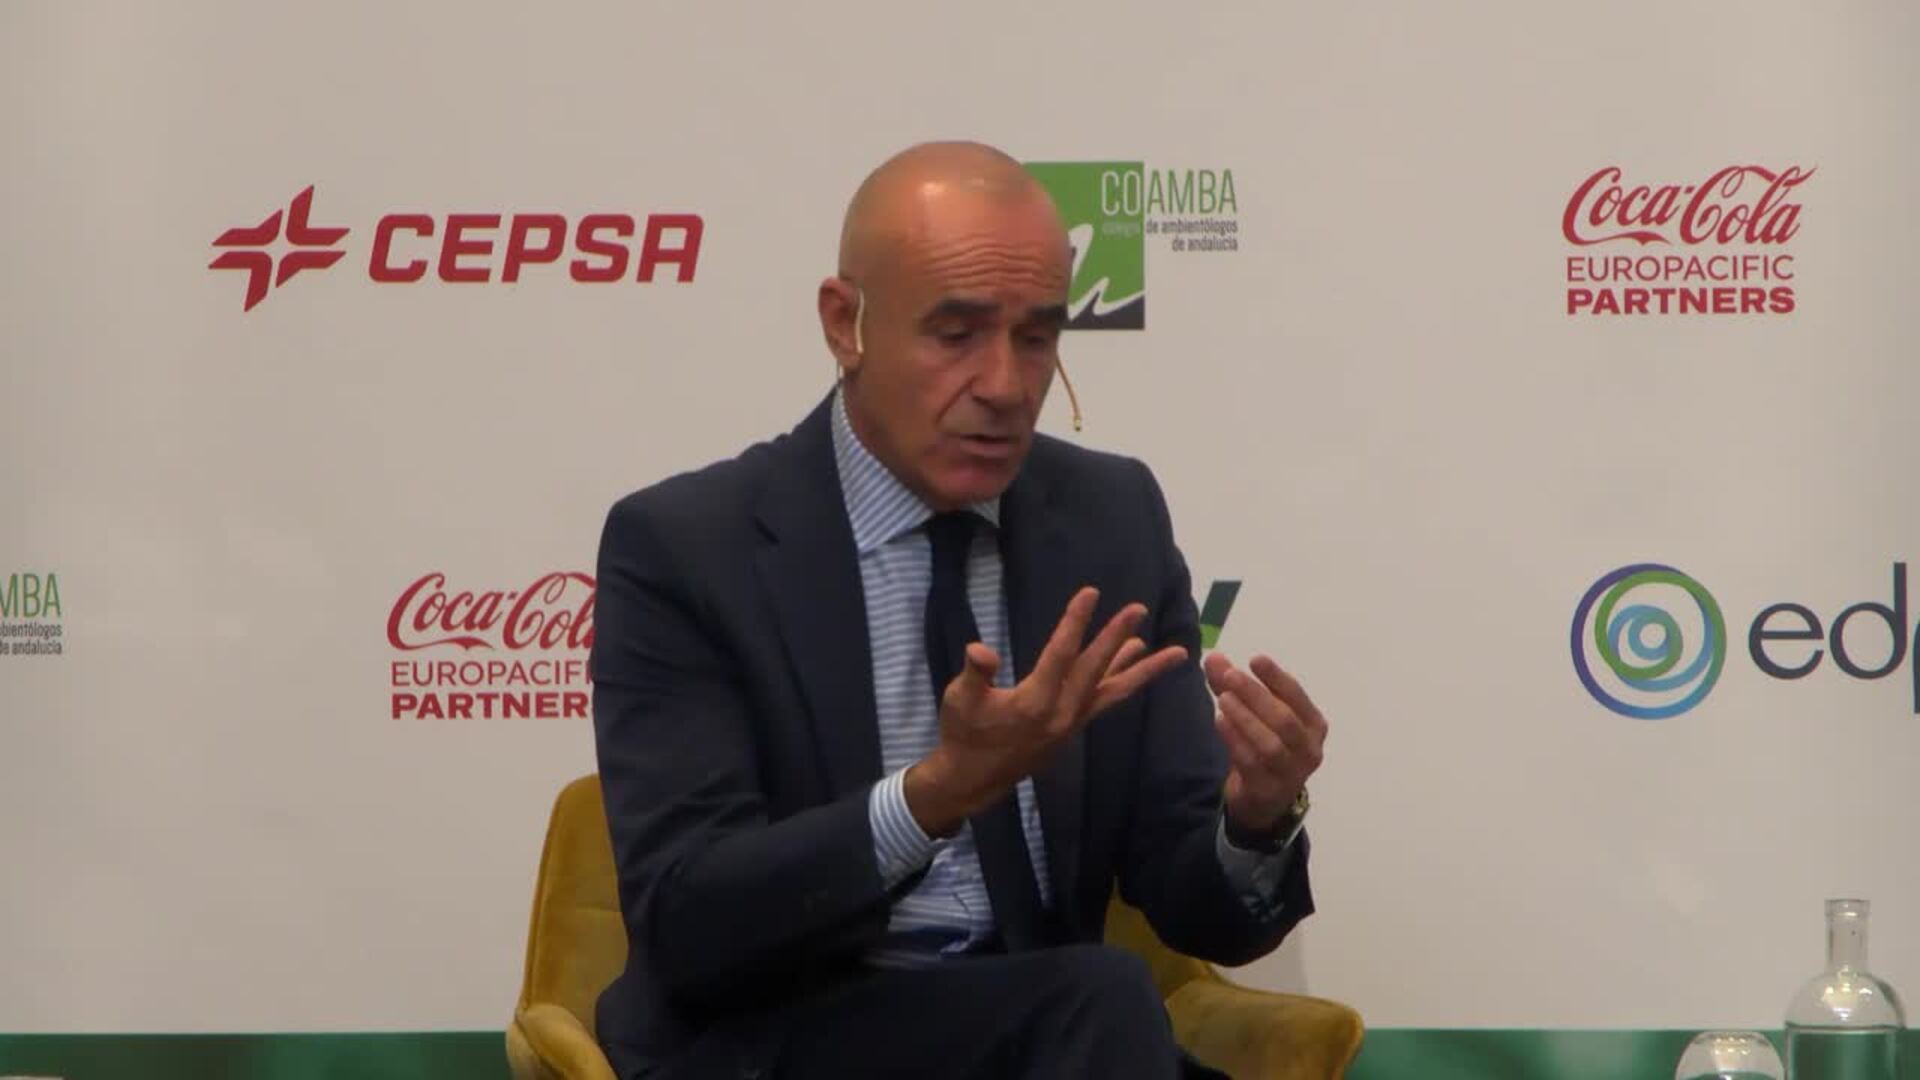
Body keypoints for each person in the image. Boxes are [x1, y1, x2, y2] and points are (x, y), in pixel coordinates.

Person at [590, 140, 1328, 1080]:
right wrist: (935, 795)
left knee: (1098, 1005)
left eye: (1037, 338)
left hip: (1052, 1041)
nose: (1005, 387)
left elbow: (1196, 908)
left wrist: (1254, 821)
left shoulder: (1111, 522)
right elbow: (691, 922)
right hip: (782, 1038)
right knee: (1100, 997)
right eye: (956, 334)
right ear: (844, 324)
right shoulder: (688, 548)